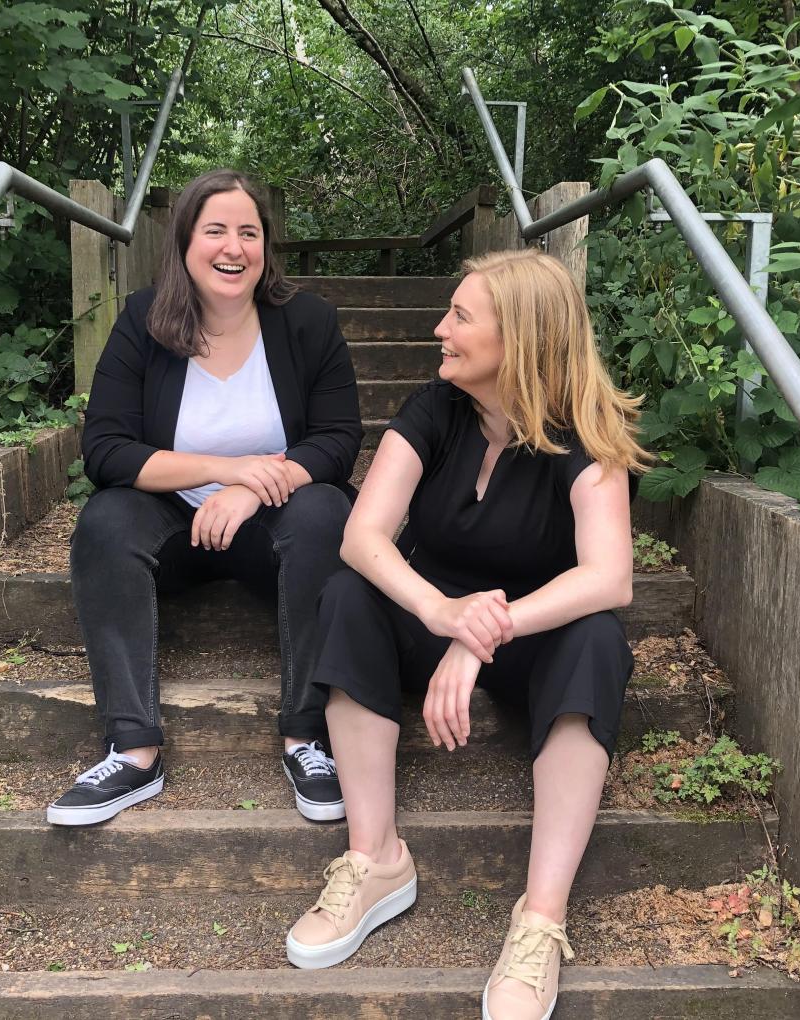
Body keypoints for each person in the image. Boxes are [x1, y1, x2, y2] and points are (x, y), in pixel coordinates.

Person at [284, 248, 649, 1020]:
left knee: (599, 640)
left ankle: (539, 923)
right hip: (430, 617)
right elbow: (364, 536)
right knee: (348, 595)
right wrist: (443, 614)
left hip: (536, 636)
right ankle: (375, 857)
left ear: (518, 339)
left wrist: (488, 630)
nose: (440, 329)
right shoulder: (436, 408)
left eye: (461, 317)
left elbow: (608, 577)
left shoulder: (585, 433)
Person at [47, 169, 361, 827]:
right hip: (173, 527)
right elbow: (105, 449)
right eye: (216, 230)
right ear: (185, 242)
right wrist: (227, 467)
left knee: (327, 510)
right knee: (104, 521)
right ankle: (133, 750)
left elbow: (337, 440)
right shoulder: (142, 320)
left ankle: (307, 737)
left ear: (266, 248)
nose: (234, 247)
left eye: (250, 232)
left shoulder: (307, 322)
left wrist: (249, 488)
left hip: (271, 528)